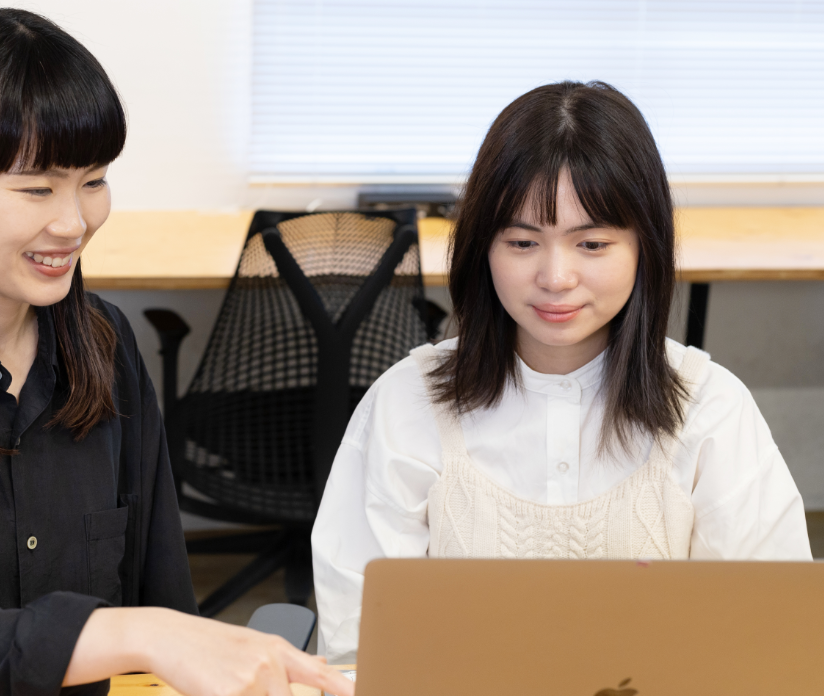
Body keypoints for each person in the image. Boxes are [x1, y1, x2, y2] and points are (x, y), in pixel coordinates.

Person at [0, 9, 354, 696]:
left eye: (94, 180)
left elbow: (162, 601)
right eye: (37, 188)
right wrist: (127, 634)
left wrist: (171, 642)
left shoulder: (104, 345)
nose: (74, 222)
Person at [310, 80, 813, 664]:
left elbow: (765, 635)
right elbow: (361, 649)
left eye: (592, 244)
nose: (555, 278)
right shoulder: (406, 403)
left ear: (644, 247)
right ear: (482, 249)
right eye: (522, 242)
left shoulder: (711, 407)